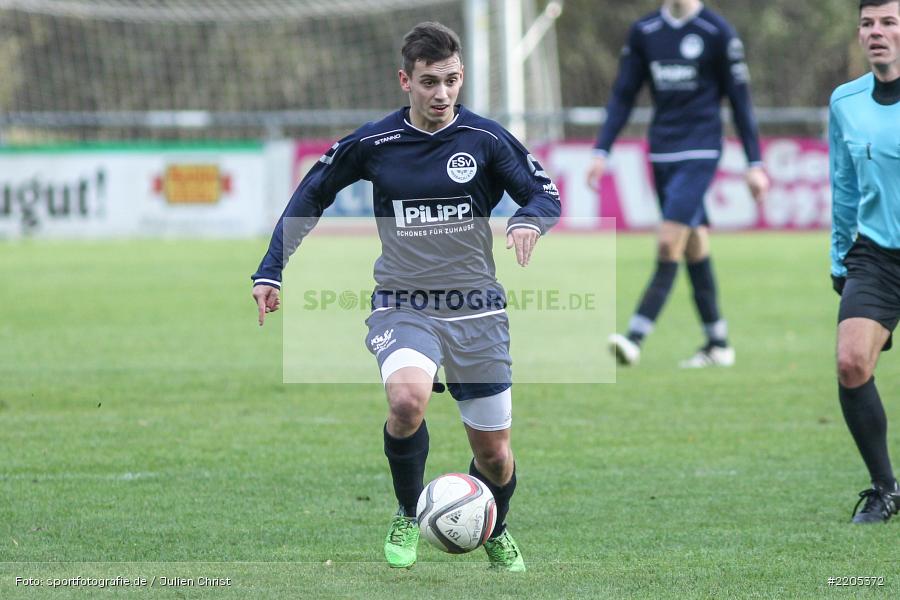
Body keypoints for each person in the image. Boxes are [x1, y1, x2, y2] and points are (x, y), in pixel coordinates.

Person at [250, 22, 560, 568]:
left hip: (477, 309)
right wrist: (271, 270)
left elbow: (544, 191)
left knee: (495, 454)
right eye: (429, 82)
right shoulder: (375, 142)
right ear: (405, 80)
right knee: (407, 400)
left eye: (451, 80)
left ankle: (494, 526)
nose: (442, 93)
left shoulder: (485, 139)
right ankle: (405, 510)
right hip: (404, 301)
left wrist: (530, 220)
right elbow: (311, 193)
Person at [586, 0, 769, 368]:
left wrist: (755, 162)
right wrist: (601, 148)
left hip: (701, 150)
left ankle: (635, 337)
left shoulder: (717, 33)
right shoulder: (645, 32)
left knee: (670, 240)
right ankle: (718, 343)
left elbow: (740, 102)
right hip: (661, 152)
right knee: (694, 242)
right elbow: (624, 94)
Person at [830, 0, 900, 524]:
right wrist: (839, 257)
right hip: (875, 253)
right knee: (852, 363)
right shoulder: (846, 102)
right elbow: (844, 185)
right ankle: (884, 489)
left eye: (889, 22)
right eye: (868, 24)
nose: (876, 32)